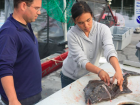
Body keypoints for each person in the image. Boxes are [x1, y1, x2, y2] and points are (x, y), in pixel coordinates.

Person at [61, 1, 124, 91]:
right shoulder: (71, 34)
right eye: (81, 23)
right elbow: (81, 60)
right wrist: (99, 71)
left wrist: (118, 70)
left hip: (90, 74)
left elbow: (109, 50)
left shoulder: (103, 29)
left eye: (88, 20)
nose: (86, 25)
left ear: (91, 15)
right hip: (70, 77)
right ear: (75, 21)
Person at [0, 0, 42, 105]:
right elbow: (4, 67)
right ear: (23, 5)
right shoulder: (9, 33)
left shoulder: (26, 24)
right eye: (36, 8)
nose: (39, 12)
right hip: (21, 100)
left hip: (33, 93)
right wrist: (13, 100)